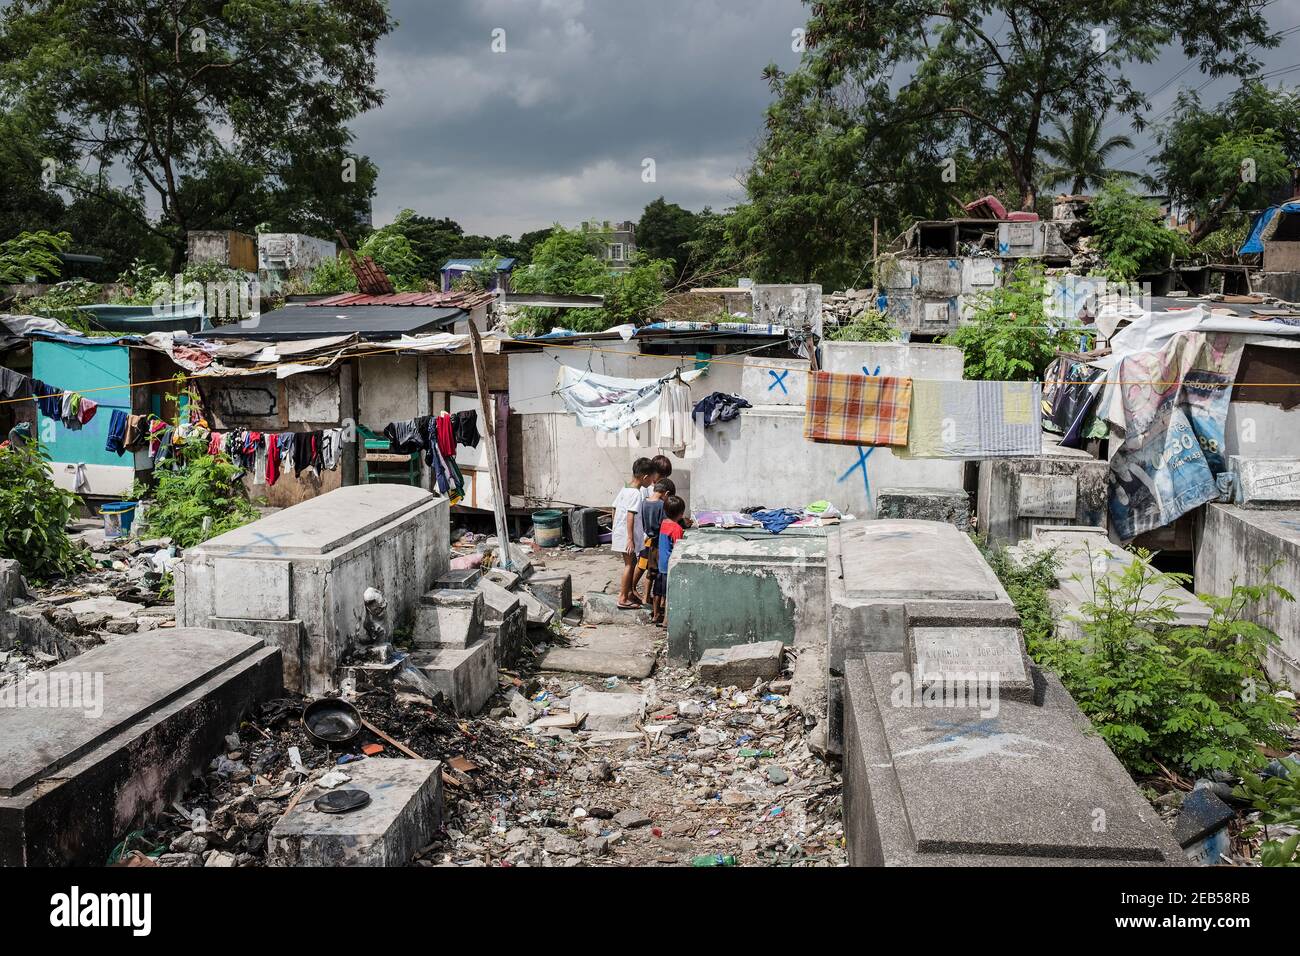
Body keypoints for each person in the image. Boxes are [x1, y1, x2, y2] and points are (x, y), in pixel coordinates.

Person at [613, 458, 655, 608]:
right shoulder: (636, 494)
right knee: (629, 565)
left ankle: (629, 592)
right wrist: (630, 538)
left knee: (632, 563)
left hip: (620, 532)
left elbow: (614, 508)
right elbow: (630, 515)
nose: (652, 482)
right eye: (651, 478)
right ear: (645, 477)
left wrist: (616, 529)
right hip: (626, 536)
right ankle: (623, 598)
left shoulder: (624, 489)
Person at [636, 478, 674, 606]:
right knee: (660, 573)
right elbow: (666, 523)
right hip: (659, 542)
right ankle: (662, 603)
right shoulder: (661, 505)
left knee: (649, 572)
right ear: (666, 493)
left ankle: (645, 597)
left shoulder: (643, 502)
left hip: (646, 540)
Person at [654, 495, 687, 625]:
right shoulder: (677, 528)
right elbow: (678, 547)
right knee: (669, 593)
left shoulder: (663, 523)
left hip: (660, 563)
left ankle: (656, 615)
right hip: (670, 565)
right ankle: (667, 621)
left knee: (657, 591)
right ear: (681, 513)